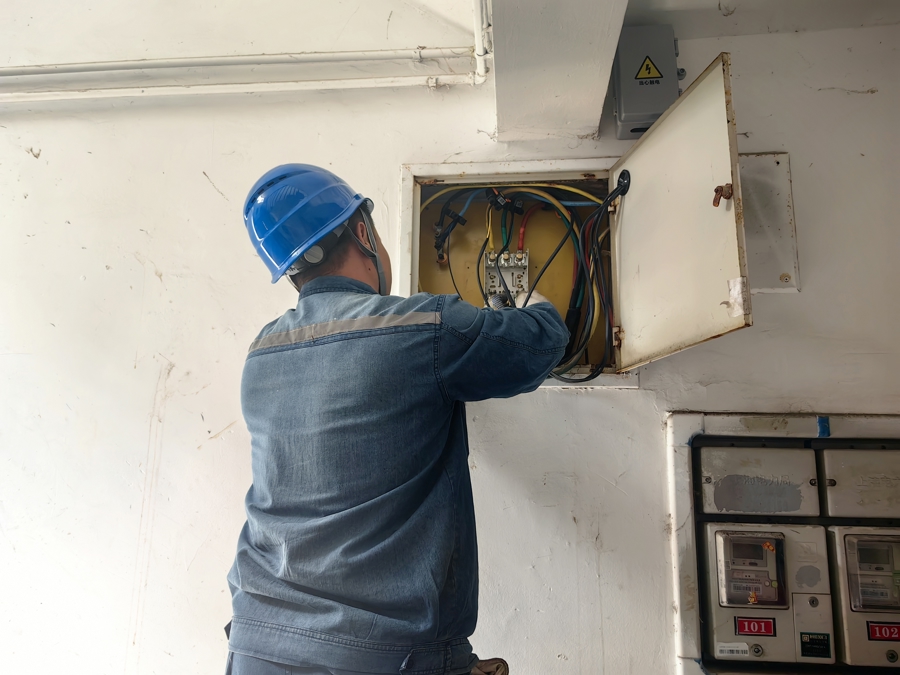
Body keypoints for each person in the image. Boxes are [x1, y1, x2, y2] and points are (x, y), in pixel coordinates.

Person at [225, 164, 568, 675]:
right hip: (381, 656)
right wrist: (523, 295)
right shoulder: (423, 327)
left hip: (257, 642)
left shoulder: (262, 352)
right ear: (363, 232)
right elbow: (541, 342)